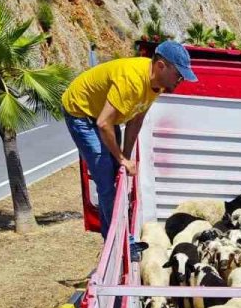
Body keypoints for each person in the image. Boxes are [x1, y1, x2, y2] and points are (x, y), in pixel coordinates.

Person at [61, 40, 197, 236]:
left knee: (118, 170)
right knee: (106, 177)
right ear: (161, 66)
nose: (180, 80)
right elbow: (102, 123)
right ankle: (115, 238)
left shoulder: (156, 84)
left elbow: (136, 120)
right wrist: (122, 159)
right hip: (81, 112)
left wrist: (125, 156)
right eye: (179, 74)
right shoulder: (133, 81)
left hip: (104, 114)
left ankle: (120, 229)